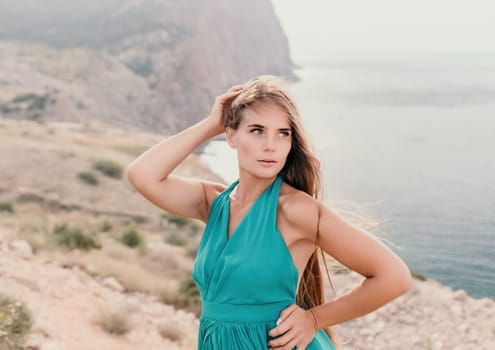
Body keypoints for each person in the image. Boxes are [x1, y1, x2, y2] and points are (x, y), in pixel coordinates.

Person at [126, 75, 413, 349]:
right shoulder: (214, 202)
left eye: (282, 134)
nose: (270, 146)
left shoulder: (295, 210)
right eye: (256, 130)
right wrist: (210, 123)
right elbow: (142, 175)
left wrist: (314, 320)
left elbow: (394, 276)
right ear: (231, 136)